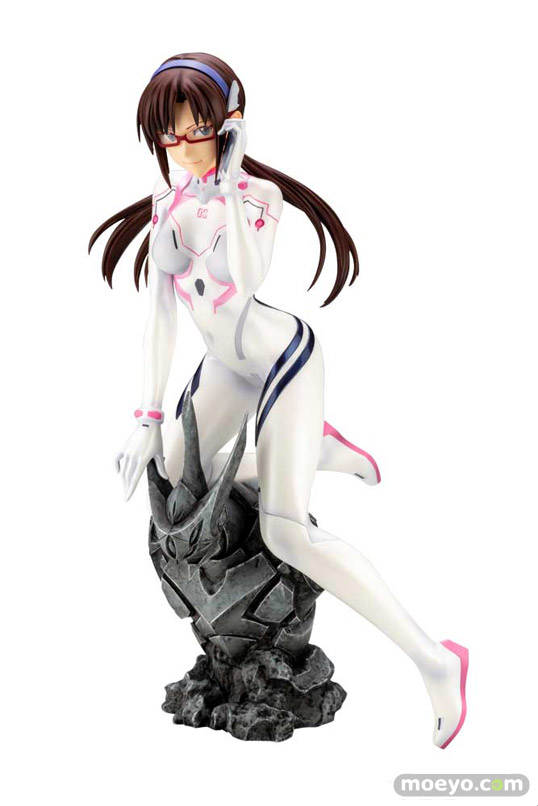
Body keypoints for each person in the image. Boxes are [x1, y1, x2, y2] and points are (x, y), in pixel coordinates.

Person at [89, 52, 468, 748]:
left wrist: (232, 182)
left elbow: (249, 273)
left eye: (199, 130)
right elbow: (161, 316)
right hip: (225, 369)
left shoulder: (260, 196)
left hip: (281, 359)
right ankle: (304, 451)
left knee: (286, 533)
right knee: (173, 477)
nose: (184, 147)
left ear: (230, 124)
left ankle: (435, 661)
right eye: (170, 134)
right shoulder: (168, 201)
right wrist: (147, 416)